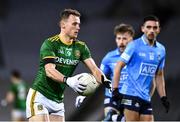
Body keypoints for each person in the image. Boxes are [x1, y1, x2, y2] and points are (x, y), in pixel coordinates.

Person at [26, 8, 111, 122]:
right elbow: (49, 70)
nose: (78, 27)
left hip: (58, 101)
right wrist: (68, 80)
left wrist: (107, 83)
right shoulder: (50, 44)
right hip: (40, 96)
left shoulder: (81, 47)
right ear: (63, 25)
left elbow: (94, 69)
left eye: (79, 24)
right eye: (74, 24)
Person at [113, 15, 170, 121]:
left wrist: (163, 97)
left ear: (159, 30)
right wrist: (115, 89)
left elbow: (159, 74)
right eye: (148, 27)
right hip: (130, 94)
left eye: (154, 28)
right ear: (142, 28)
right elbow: (118, 66)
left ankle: (119, 119)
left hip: (145, 97)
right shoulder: (134, 45)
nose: (151, 30)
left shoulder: (161, 50)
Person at [100, 23, 134, 122]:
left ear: (131, 40)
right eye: (119, 38)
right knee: (109, 119)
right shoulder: (109, 57)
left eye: (124, 39)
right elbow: (99, 76)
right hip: (113, 96)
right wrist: (84, 93)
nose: (121, 42)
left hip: (130, 98)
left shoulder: (137, 57)